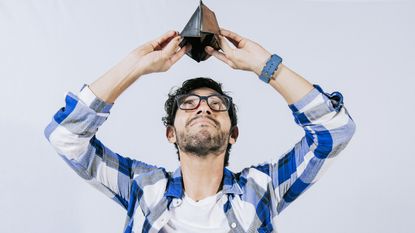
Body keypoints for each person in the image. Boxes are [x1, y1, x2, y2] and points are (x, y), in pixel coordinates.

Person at [44, 28, 356, 233]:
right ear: (171, 133)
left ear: (233, 134)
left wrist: (266, 66)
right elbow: (66, 137)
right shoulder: (142, 186)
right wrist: (133, 67)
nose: (204, 108)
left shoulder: (263, 188)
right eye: (189, 104)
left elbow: (335, 129)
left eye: (216, 104)